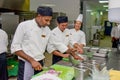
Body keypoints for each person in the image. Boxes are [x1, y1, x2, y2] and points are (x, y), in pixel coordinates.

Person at [11, 6, 53, 80]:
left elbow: (52, 45)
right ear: (39, 16)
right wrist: (32, 60)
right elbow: (15, 48)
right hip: (27, 63)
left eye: (50, 20)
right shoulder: (24, 26)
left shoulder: (47, 30)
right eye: (46, 20)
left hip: (40, 63)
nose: (48, 23)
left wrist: (69, 50)